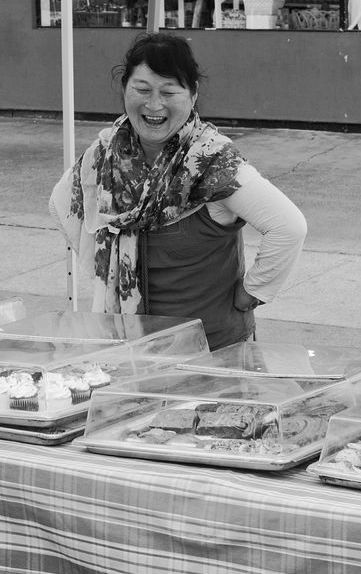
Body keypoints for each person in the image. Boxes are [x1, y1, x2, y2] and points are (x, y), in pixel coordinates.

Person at [50, 32, 306, 350]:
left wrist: (250, 293)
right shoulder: (105, 153)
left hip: (212, 351)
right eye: (142, 90)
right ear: (124, 88)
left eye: (169, 92)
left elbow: (289, 227)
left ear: (193, 94)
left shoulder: (211, 160)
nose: (154, 105)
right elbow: (62, 203)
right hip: (133, 348)